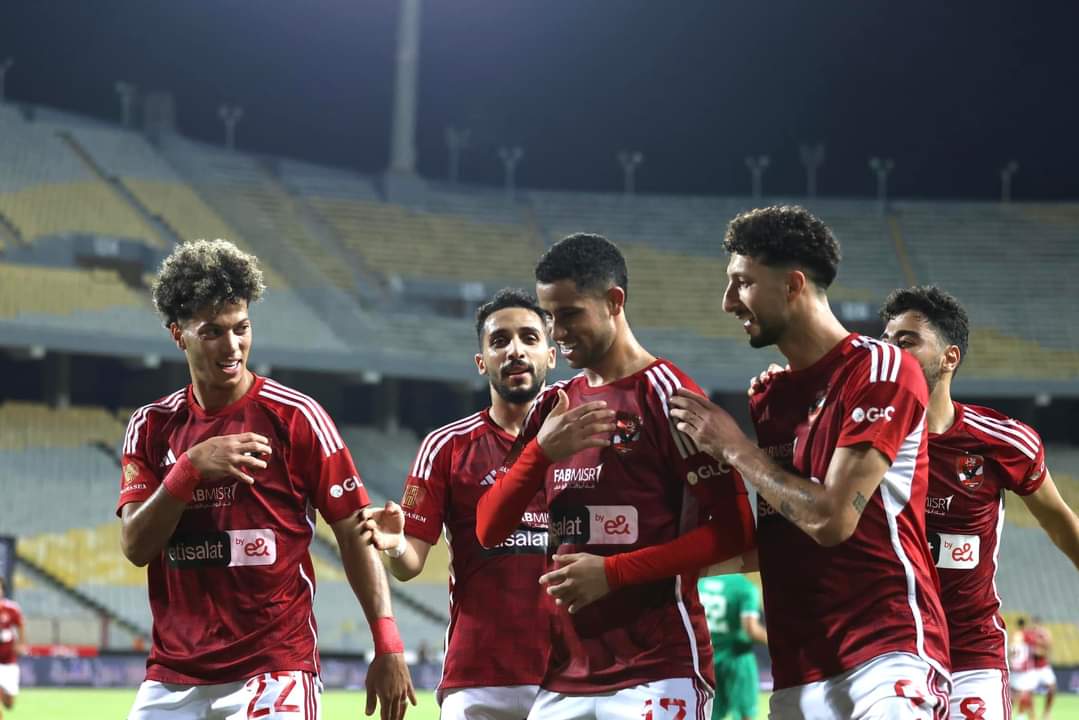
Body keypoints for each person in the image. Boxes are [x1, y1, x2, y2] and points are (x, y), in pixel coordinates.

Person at [668, 206, 951, 719]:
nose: (728, 301)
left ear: (793, 284)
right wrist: (635, 569)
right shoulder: (772, 396)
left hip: (885, 661)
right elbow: (781, 533)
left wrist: (734, 448)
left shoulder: (881, 369)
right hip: (797, 672)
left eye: (743, 283)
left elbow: (831, 519)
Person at [117, 239, 415, 720]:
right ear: (178, 335)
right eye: (212, 332)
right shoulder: (152, 426)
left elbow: (354, 531)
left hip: (276, 668)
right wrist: (190, 467)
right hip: (174, 673)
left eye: (242, 327)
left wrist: (388, 643)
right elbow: (135, 546)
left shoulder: (296, 417)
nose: (232, 346)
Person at [474, 233, 757, 719]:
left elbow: (735, 531)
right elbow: (488, 528)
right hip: (564, 676)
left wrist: (612, 573)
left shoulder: (669, 395)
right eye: (550, 317)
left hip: (657, 669)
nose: (558, 332)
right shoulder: (554, 405)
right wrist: (539, 453)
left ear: (614, 302)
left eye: (570, 314)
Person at [877, 285, 1079, 720]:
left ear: (949, 357)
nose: (891, 351)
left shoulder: (1002, 443)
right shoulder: (861, 439)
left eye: (907, 341)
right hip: (888, 651)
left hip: (970, 653)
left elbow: (1062, 524)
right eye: (887, 340)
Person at [359, 288, 556, 719]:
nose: (515, 350)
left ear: (551, 355)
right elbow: (408, 565)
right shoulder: (446, 446)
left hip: (568, 678)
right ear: (482, 362)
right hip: (477, 679)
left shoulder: (583, 444)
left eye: (529, 338)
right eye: (500, 341)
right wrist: (396, 543)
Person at [698, 574, 767, 720]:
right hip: (738, 660)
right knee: (744, 714)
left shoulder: (701, 583)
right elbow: (751, 629)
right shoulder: (744, 587)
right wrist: (776, 642)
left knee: (708, 714)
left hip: (707, 660)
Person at [0, 577, 24, 720]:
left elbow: (20, 625)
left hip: (9, 660)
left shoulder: (12, 609)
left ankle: (4, 691)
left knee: (9, 704)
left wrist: (21, 644)